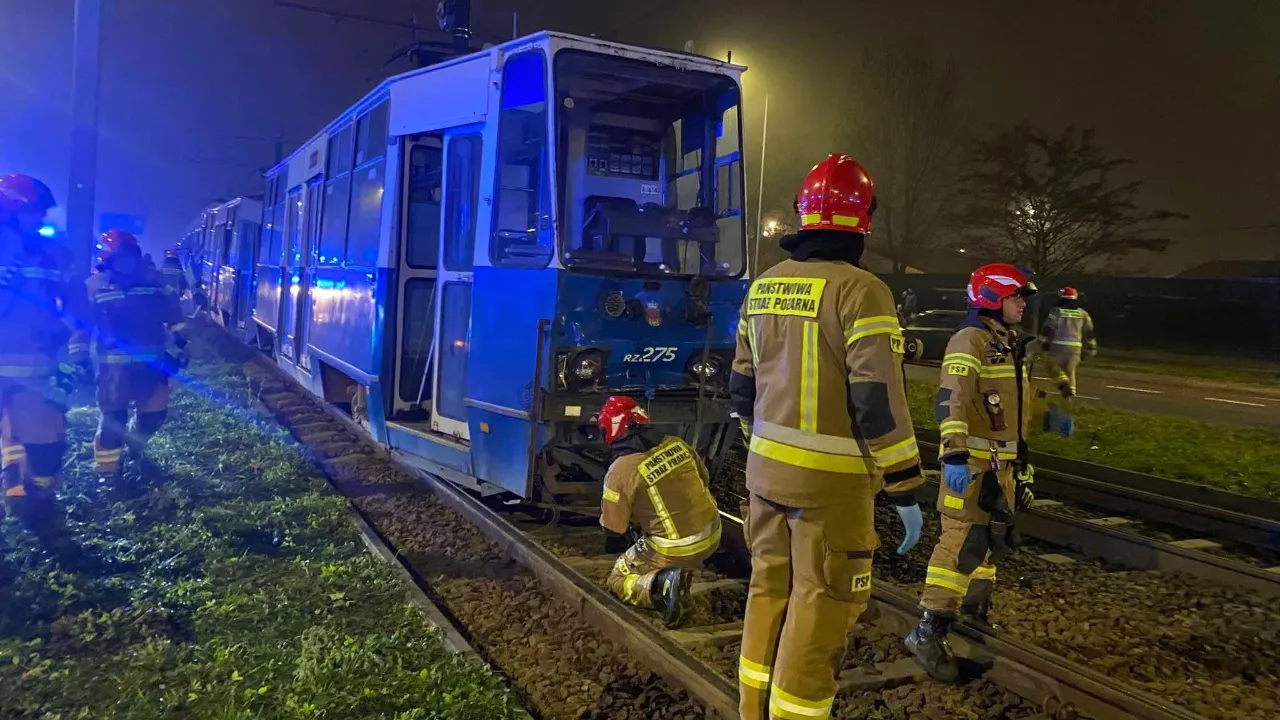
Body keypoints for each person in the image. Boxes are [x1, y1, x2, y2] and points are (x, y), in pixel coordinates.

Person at [731, 154, 925, 720]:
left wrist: (763, 454)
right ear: (865, 218)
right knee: (824, 603)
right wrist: (906, 484)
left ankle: (752, 709)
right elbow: (876, 404)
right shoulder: (864, 293)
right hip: (832, 490)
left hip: (764, 478)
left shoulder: (764, 286)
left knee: (768, 592)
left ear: (803, 214)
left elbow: (739, 390)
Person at [906, 263, 1038, 682]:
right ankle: (928, 630)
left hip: (1001, 466)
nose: (1022, 305)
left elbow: (1013, 408)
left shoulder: (1008, 342)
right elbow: (951, 401)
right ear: (994, 298)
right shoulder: (970, 339)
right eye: (1017, 296)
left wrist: (1026, 453)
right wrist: (955, 456)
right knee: (959, 541)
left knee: (989, 543)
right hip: (974, 465)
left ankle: (974, 614)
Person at [68, 230, 187, 491]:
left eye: (129, 257)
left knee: (154, 416)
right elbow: (81, 327)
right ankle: (108, 476)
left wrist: (180, 344)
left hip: (152, 364)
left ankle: (134, 445)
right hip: (113, 369)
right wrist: (79, 360)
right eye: (120, 258)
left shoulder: (154, 282)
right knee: (113, 422)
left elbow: (173, 313)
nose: (126, 263)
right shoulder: (95, 287)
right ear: (108, 260)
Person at [0, 174, 78, 548]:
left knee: (47, 450)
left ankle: (35, 498)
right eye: (35, 212)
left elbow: (77, 306)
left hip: (36, 369)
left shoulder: (52, 254)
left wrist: (62, 333)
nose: (42, 220)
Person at [597, 395, 721, 627]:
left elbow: (615, 529)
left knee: (618, 578)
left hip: (676, 549)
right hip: (713, 533)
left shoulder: (620, 470)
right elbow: (704, 478)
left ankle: (662, 584)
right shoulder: (676, 443)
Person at [1037, 287, 1096, 437]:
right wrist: (1090, 348)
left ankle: (1061, 388)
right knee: (1071, 375)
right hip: (1075, 349)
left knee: (1052, 368)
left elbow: (1048, 328)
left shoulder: (1057, 311)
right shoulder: (1083, 314)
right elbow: (1089, 332)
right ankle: (1068, 404)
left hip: (1057, 347)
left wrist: (1042, 342)